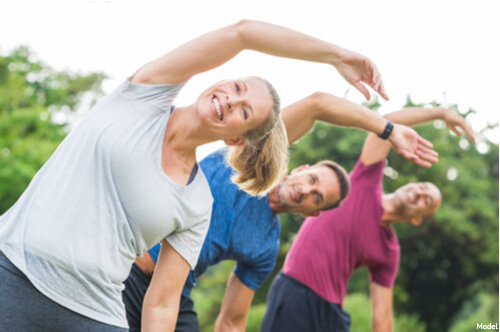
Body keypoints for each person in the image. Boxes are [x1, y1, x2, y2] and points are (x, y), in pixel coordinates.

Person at [0, 20, 398, 331]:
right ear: (221, 78)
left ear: (239, 140)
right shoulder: (145, 95)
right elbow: (243, 33)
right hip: (16, 269)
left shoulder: (199, 201)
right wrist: (336, 56)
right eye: (238, 87)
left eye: (245, 111)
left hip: (95, 309)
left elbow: (165, 302)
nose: (233, 100)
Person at [122, 91, 439, 332]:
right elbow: (317, 105)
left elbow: (232, 321)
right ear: (300, 168)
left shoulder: (264, 248)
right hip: (128, 273)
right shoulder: (250, 159)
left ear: (312, 214)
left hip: (174, 297)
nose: (306, 190)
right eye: (312, 180)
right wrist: (388, 129)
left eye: (316, 197)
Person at [260, 105, 475, 332]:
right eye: (422, 187)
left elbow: (382, 314)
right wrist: (439, 114)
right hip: (296, 292)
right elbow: (387, 124)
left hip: (332, 316)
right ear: (410, 183)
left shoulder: (389, 250)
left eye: (427, 201)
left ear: (418, 219)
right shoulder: (365, 180)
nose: (420, 193)